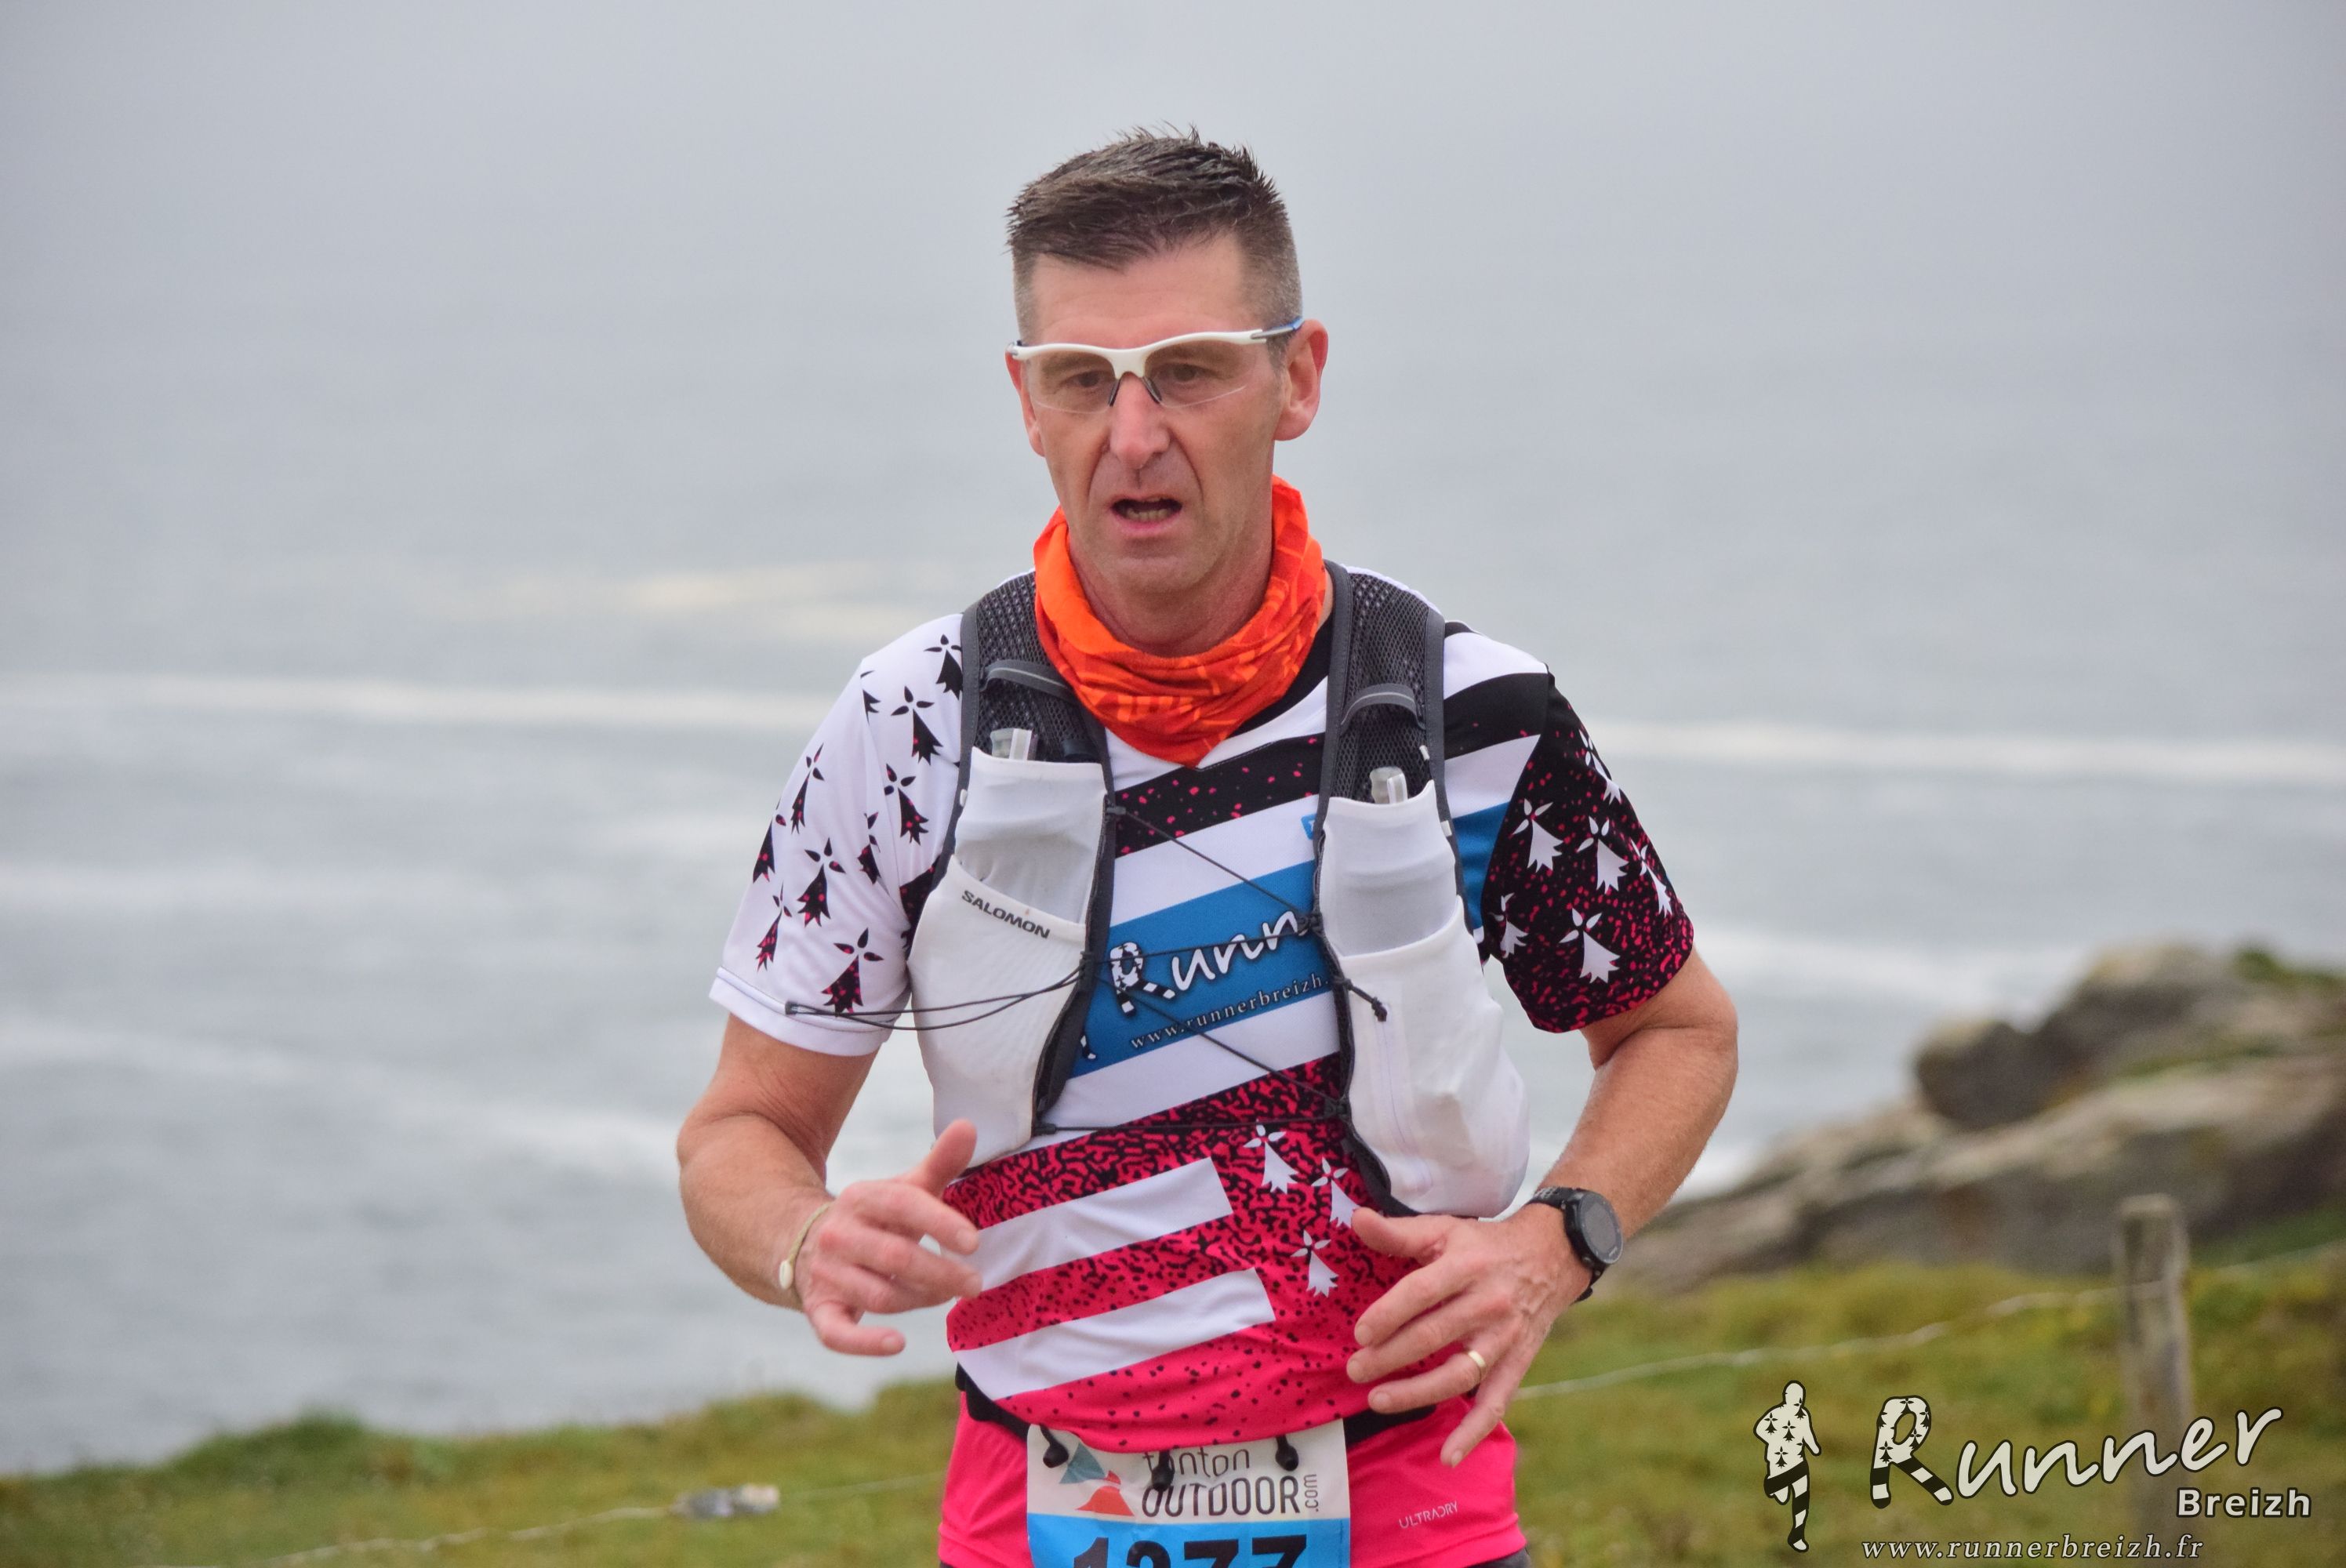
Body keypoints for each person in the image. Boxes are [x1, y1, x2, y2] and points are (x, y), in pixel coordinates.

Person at [679, 129, 1738, 1568]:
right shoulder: (905, 728)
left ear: (1297, 380)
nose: (1134, 434)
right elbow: (739, 1135)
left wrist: (1556, 1243)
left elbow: (1675, 1030)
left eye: (1188, 371)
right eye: (1083, 379)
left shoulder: (1470, 709)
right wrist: (805, 1240)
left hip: (1412, 1500)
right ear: (1026, 403)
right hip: (1035, 1502)